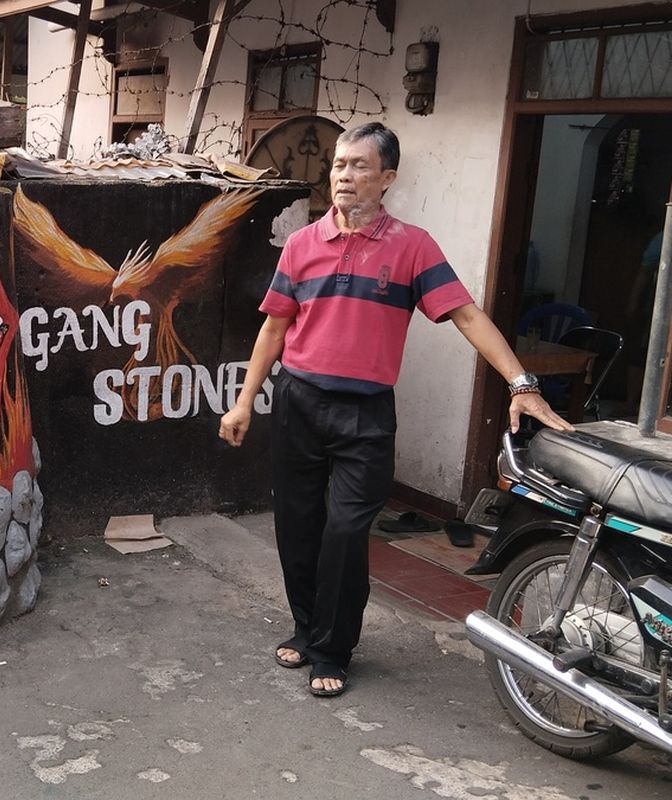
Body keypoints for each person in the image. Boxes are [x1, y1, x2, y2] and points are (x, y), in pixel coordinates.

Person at [218, 122, 571, 698]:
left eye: (359, 166)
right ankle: (308, 630)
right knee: (297, 527)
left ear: (387, 178)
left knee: (345, 531)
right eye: (338, 165)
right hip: (299, 403)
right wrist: (242, 403)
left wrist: (520, 382)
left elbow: (465, 315)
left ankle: (334, 647)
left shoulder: (412, 246)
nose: (345, 177)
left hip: (365, 415)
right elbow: (275, 327)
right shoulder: (303, 244)